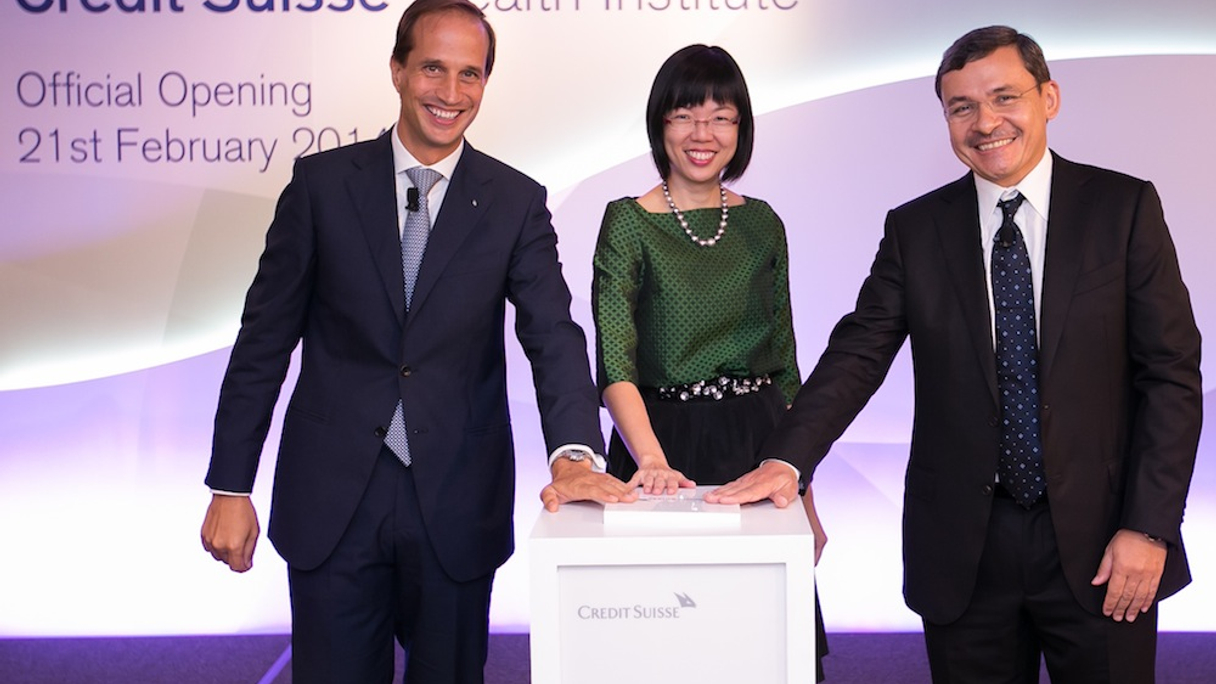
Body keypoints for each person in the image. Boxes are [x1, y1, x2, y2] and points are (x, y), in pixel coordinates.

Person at [706, 26, 1202, 683]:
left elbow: (1170, 376)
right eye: (961, 107)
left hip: (1106, 543)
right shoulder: (916, 229)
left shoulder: (1123, 209)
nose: (985, 122)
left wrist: (1151, 527)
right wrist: (787, 459)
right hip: (965, 550)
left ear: (1048, 98)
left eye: (1004, 97)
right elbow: (858, 351)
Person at [198, 1, 635, 681]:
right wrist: (231, 483)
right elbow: (264, 339)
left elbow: (552, 333)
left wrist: (575, 453)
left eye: (471, 74)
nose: (451, 93)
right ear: (398, 70)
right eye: (434, 68)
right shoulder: (320, 187)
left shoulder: (515, 201)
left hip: (457, 500)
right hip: (333, 500)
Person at [592, 44, 828, 680]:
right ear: (659, 123)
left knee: (765, 646)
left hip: (759, 445)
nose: (703, 134)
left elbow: (785, 364)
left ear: (741, 129)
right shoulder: (628, 224)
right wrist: (651, 461)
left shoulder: (763, 224)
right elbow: (615, 363)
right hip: (658, 444)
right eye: (685, 115)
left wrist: (804, 491)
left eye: (722, 117)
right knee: (662, 647)